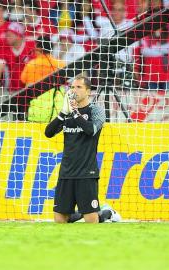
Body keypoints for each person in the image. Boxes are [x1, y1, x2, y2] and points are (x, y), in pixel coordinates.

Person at [44, 75, 121, 223]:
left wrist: (74, 113)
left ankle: (107, 213)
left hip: (87, 172)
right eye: (72, 87)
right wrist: (62, 114)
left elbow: (90, 130)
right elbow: (48, 133)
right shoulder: (67, 113)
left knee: (91, 220)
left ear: (88, 92)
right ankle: (79, 214)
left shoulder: (95, 111)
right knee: (60, 220)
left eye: (79, 87)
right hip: (66, 172)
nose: (74, 90)